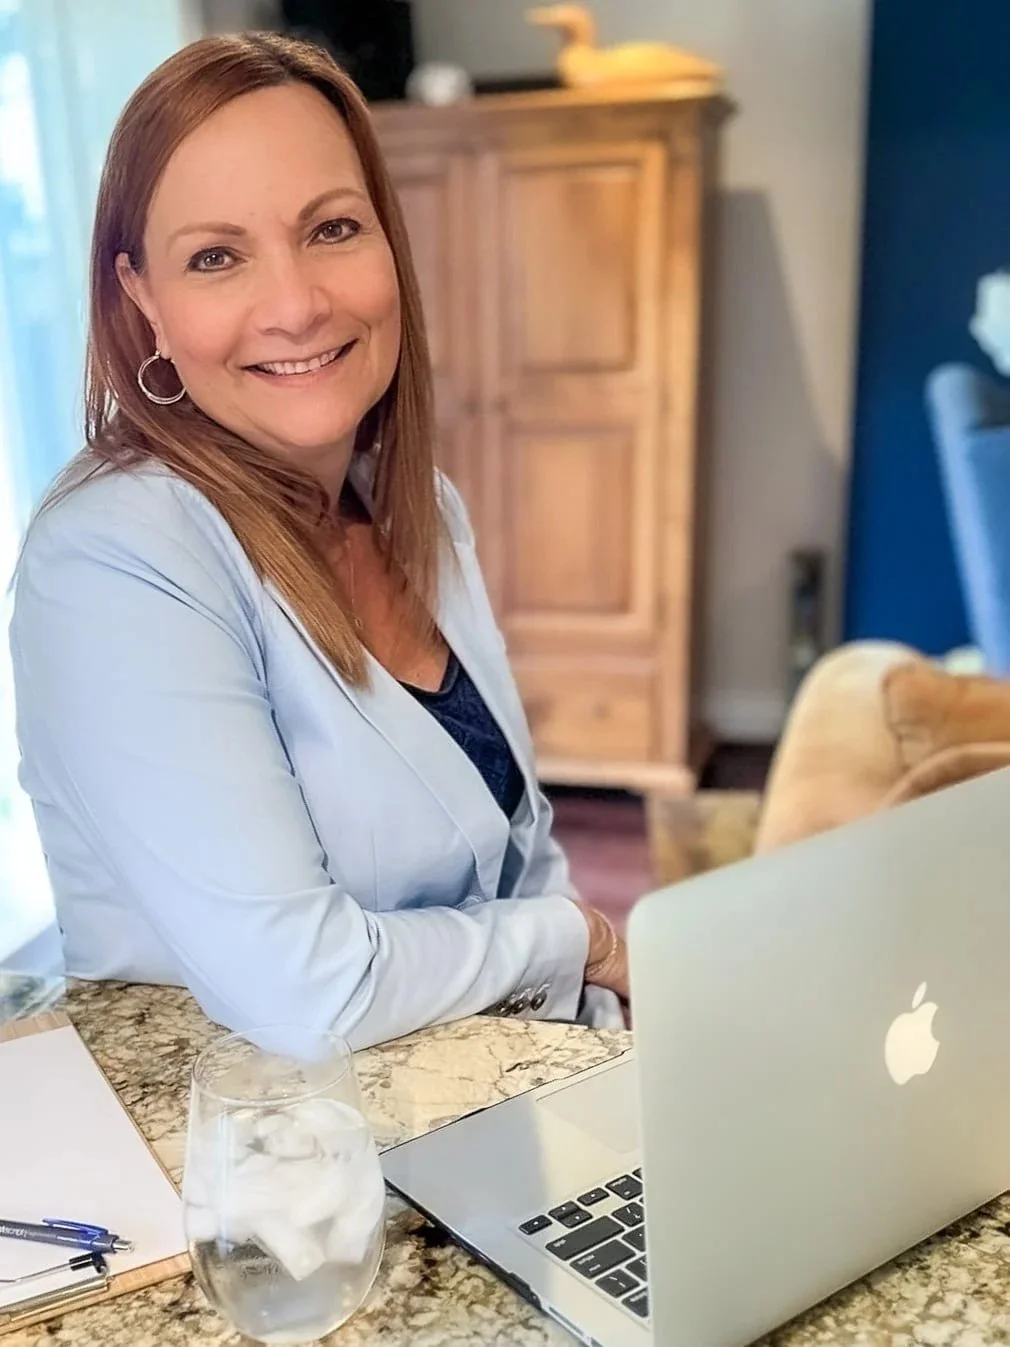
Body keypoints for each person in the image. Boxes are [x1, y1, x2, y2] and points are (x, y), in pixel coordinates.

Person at [9, 33, 629, 1049]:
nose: (296, 305)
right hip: (264, 1159)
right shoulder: (115, 561)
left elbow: (523, 850)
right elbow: (311, 990)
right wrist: (574, 940)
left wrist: (601, 1030)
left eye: (331, 229)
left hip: (495, 1095)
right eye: (217, 257)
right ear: (143, 303)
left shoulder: (412, 503)